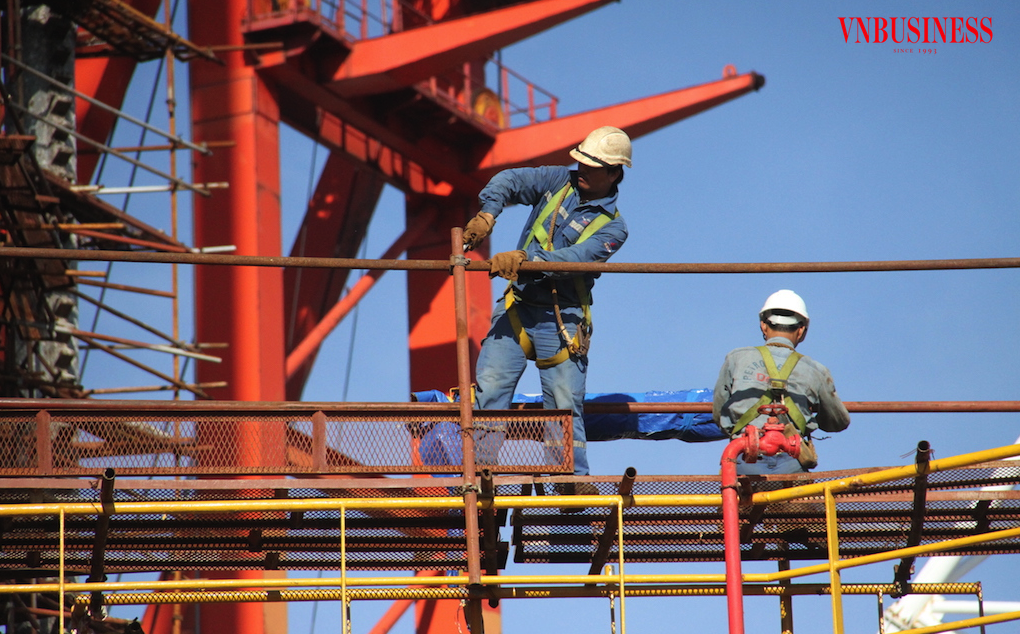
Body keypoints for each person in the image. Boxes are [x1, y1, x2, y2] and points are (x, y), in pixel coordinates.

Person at [461, 126, 632, 494]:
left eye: (592, 165)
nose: (581, 169)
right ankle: (479, 477)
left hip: (562, 320)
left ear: (615, 172)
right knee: (490, 390)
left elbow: (575, 259)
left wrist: (526, 258)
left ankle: (571, 482)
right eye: (581, 161)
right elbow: (509, 180)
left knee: (565, 404)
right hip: (518, 308)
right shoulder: (558, 180)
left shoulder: (614, 228)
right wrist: (489, 214)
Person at [712, 289, 850, 475]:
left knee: (734, 502)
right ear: (801, 330)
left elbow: (719, 412)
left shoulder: (737, 358)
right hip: (791, 464)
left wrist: (739, 428)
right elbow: (838, 421)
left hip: (743, 460)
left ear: (763, 325)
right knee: (802, 502)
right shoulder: (816, 370)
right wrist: (806, 418)